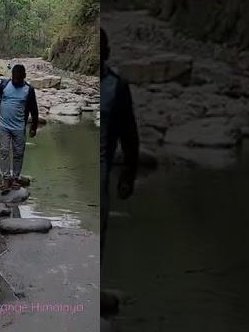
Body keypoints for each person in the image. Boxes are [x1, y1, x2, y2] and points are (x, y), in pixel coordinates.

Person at [100, 27, 139, 315]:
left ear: (106, 53)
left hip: (102, 168)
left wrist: (128, 175)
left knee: (100, 227)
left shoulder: (117, 86)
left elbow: (130, 134)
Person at [0, 64, 38, 194]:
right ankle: (5, 178)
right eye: (14, 78)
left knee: (18, 153)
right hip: (3, 125)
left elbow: (34, 110)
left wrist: (34, 127)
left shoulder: (29, 90)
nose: (16, 81)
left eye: (19, 79)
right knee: (4, 150)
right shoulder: (4, 85)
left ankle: (15, 178)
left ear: (24, 77)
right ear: (12, 76)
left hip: (19, 127)